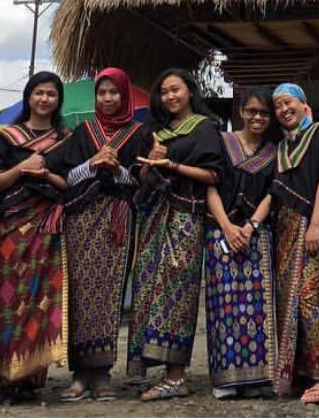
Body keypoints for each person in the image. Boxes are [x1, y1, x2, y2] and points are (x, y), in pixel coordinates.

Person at [49, 67, 150, 403]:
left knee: (109, 295)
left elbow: (140, 181)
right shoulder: (83, 132)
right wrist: (93, 163)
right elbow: (65, 177)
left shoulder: (139, 134)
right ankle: (80, 374)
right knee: (79, 295)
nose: (108, 98)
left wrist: (116, 168)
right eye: (102, 93)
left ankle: (103, 372)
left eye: (114, 92)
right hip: (81, 220)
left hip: (116, 221)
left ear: (125, 95)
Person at [126, 68, 223, 401]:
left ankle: (176, 376)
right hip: (153, 217)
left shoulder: (206, 129)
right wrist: (152, 162)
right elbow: (141, 176)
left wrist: (174, 166)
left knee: (177, 292)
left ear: (190, 91)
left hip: (185, 218)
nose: (169, 96)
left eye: (175, 90)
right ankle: (158, 369)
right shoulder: (155, 131)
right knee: (148, 290)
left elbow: (213, 176)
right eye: (164, 91)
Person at [0, 71, 70, 404]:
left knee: (40, 300)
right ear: (28, 96)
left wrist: (45, 173)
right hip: (11, 227)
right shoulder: (5, 136)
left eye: (51, 94)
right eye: (39, 93)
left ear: (58, 100)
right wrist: (24, 167)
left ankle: (32, 376)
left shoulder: (65, 139)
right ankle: (7, 379)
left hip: (46, 226)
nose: (44, 99)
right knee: (7, 300)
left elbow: (69, 183)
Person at [270, 83, 319, 405]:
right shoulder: (282, 146)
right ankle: (301, 371)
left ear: (303, 104)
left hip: (317, 225)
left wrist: (314, 224)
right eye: (277, 106)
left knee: (309, 293)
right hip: (286, 227)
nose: (283, 110)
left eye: (288, 103)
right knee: (289, 297)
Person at [203, 86, 277, 399]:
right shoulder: (222, 143)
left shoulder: (275, 152)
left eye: (264, 113)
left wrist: (250, 226)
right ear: (241, 112)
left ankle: (256, 378)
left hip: (255, 236)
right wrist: (227, 227)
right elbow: (210, 186)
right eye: (252, 111)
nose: (257, 117)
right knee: (224, 306)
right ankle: (226, 379)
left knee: (257, 307)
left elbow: (274, 192)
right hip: (221, 231)